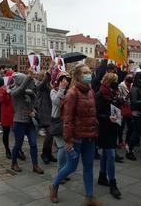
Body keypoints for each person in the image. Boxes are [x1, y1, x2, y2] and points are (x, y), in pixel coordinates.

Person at [49, 64, 103, 206]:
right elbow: (67, 119)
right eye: (85, 72)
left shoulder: (91, 91)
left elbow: (92, 112)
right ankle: (54, 185)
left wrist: (95, 125)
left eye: (89, 72)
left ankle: (89, 197)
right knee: (71, 167)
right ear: (78, 76)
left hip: (89, 136)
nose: (88, 74)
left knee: (89, 167)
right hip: (77, 138)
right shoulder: (72, 93)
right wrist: (68, 140)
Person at [10, 70, 44, 174]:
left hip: (29, 122)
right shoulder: (14, 92)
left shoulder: (28, 92)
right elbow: (21, 89)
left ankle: (35, 165)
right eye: (24, 80)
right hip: (19, 122)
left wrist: (32, 109)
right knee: (18, 144)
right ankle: (14, 162)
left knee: (33, 144)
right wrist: (29, 77)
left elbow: (34, 97)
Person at [96, 73, 122, 199]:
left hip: (113, 127)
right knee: (111, 154)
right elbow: (97, 114)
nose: (117, 83)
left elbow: (115, 107)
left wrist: (119, 101)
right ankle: (113, 183)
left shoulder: (113, 92)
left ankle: (102, 175)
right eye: (115, 81)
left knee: (106, 154)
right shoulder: (101, 94)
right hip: (104, 128)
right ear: (109, 82)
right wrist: (108, 117)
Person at [50, 71, 71, 182]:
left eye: (67, 80)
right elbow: (57, 102)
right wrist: (62, 88)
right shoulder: (53, 91)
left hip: (66, 122)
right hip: (57, 122)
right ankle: (60, 172)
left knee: (67, 149)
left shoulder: (69, 92)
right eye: (63, 80)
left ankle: (64, 171)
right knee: (62, 148)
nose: (65, 82)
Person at [37, 63, 57, 165]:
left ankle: (48, 153)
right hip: (44, 113)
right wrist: (50, 69)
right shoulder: (39, 85)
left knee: (51, 134)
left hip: (51, 112)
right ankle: (44, 153)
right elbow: (45, 81)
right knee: (49, 133)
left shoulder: (49, 86)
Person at [0, 70, 14, 159]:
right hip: (6, 113)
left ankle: (18, 149)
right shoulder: (2, 88)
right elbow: (2, 100)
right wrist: (5, 92)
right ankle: (7, 150)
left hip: (14, 112)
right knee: (6, 133)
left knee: (17, 133)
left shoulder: (15, 87)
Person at [118, 74, 133, 148]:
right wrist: (125, 98)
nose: (129, 84)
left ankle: (127, 141)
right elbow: (119, 96)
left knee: (130, 126)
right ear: (125, 80)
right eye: (128, 83)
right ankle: (120, 141)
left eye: (130, 83)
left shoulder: (132, 85)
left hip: (130, 108)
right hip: (123, 108)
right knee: (121, 126)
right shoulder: (120, 86)